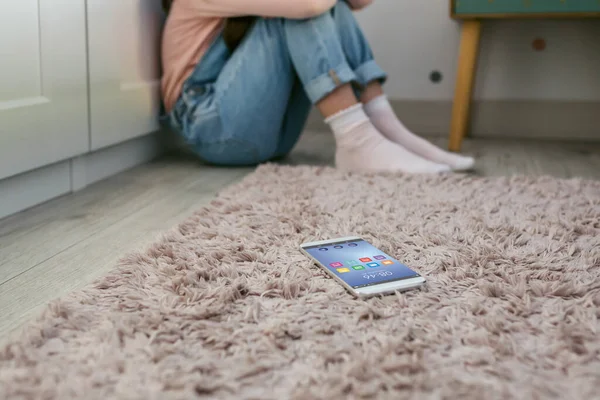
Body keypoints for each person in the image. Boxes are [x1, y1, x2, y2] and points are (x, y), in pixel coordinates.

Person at [161, 0, 475, 173]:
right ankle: (357, 140)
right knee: (299, 9)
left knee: (328, 5)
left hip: (272, 139)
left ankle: (385, 127)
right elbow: (308, 6)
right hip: (214, 134)